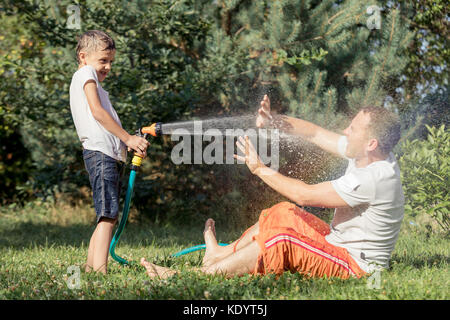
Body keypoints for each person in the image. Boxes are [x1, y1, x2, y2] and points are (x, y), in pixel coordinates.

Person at [140, 94, 404, 280]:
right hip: (336, 243)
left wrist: (259, 169)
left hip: (355, 265)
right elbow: (314, 133)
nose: (345, 131)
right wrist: (273, 121)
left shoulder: (373, 178)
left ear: (371, 143)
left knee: (282, 239)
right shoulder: (363, 153)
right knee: (283, 212)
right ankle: (220, 254)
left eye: (353, 128)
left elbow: (304, 194)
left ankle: (194, 276)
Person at [70, 30, 149, 274]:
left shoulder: (92, 79)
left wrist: (125, 144)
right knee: (107, 215)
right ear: (83, 57)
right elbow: (97, 112)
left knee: (108, 216)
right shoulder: (85, 74)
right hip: (100, 154)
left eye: (111, 62)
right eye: (103, 60)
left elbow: (101, 117)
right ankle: (101, 273)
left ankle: (91, 268)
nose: (108, 67)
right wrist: (128, 138)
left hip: (106, 154)